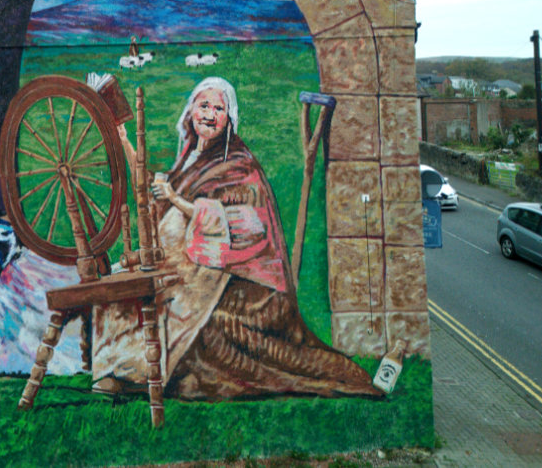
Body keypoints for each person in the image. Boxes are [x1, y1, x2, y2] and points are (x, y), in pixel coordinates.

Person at [93, 77, 381, 400]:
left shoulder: (239, 164)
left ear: (228, 119)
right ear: (190, 112)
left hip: (235, 276)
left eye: (219, 108)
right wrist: (123, 139)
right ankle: (119, 372)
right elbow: (153, 194)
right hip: (187, 262)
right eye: (204, 106)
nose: (210, 114)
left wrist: (175, 199)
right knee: (120, 283)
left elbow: (240, 224)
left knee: (184, 312)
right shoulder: (190, 157)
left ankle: (140, 374)